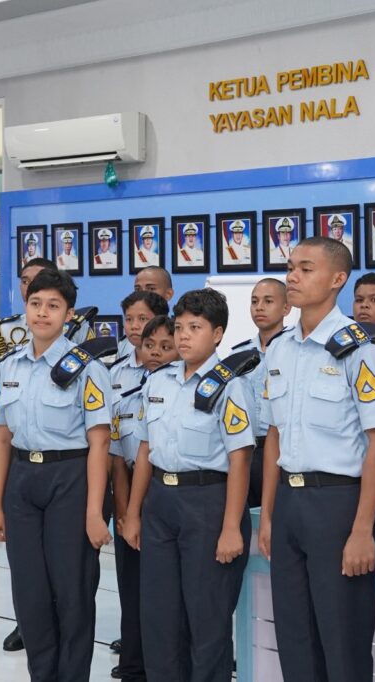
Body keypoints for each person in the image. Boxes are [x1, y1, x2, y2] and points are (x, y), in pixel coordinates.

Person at [258, 236, 375, 682]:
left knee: (342, 638)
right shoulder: (279, 348)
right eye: (290, 267)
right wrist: (268, 515)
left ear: (338, 279)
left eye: (305, 269)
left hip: (337, 503)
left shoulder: (361, 349)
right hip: (289, 503)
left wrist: (363, 529)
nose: (292, 277)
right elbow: (274, 436)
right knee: (294, 635)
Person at [0, 268, 113, 682]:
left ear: (68, 315)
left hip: (70, 478)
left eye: (53, 306)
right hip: (23, 479)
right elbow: (1, 438)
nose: (42, 313)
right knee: (30, 592)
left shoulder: (87, 368)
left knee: (71, 590)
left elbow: (99, 443)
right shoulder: (9, 366)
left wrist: (94, 512)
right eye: (36, 304)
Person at [122, 288, 254, 682]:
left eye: (195, 328)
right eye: (179, 327)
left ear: (217, 334)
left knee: (206, 618)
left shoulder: (231, 386)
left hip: (207, 503)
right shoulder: (158, 382)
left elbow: (240, 460)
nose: (183, 336)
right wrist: (133, 513)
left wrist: (231, 527)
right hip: (160, 502)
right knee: (160, 616)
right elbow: (145, 450)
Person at [108, 296, 169, 682]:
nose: (134, 326)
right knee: (130, 583)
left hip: (167, 487)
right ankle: (133, 661)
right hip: (128, 484)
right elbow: (115, 449)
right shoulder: (115, 373)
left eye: (142, 318)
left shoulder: (181, 377)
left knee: (165, 586)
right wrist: (122, 506)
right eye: (129, 319)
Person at [229, 278, 290, 507]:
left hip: (280, 448)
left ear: (286, 308)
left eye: (268, 301)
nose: (259, 307)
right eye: (254, 302)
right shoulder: (239, 355)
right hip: (244, 449)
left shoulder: (294, 352)